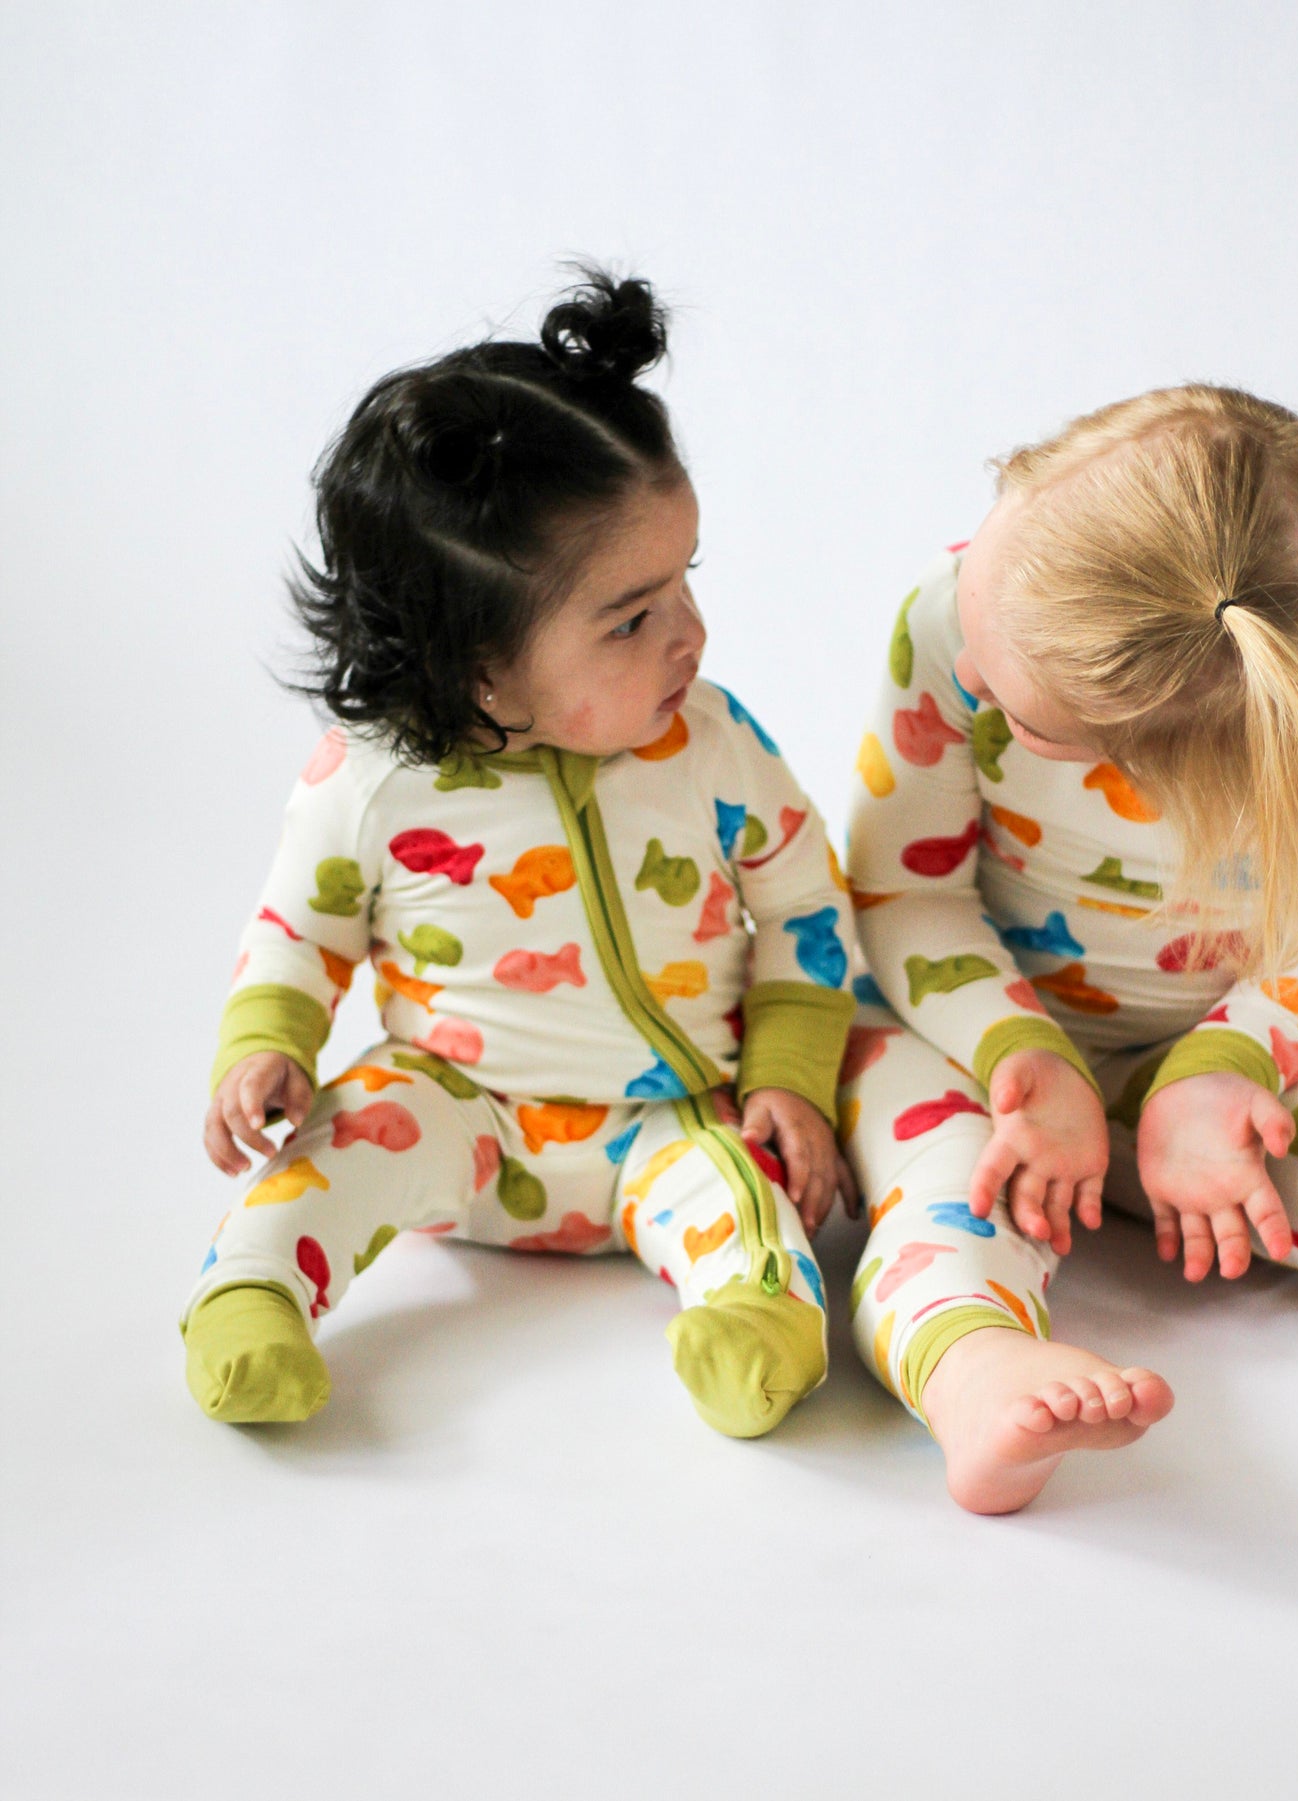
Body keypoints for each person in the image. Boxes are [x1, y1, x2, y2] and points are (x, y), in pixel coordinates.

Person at [183, 269, 858, 1438]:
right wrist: (265, 1049)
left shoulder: (710, 743)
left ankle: (755, 1329)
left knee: (754, 1215)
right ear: (478, 672)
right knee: (324, 1163)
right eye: (631, 618)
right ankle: (249, 1299)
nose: (690, 635)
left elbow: (806, 908)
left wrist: (787, 1082)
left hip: (671, 1116)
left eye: (686, 581)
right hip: (456, 1108)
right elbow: (298, 932)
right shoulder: (371, 780)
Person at [842, 385, 1298, 1513]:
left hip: (1215, 1060)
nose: (967, 676)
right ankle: (975, 1370)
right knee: (948, 1181)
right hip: (962, 1036)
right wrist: (1023, 1055)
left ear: (1158, 766)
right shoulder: (956, 615)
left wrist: (1221, 1072)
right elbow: (903, 888)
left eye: (1021, 718)